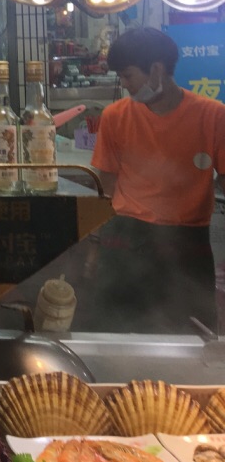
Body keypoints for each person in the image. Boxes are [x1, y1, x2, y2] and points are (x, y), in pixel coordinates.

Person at [83, 26, 225, 333]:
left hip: (187, 244)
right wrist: (94, 245)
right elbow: (106, 188)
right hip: (124, 238)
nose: (124, 84)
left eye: (128, 75)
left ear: (157, 70)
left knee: (193, 339)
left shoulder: (213, 116)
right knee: (114, 333)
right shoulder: (115, 116)